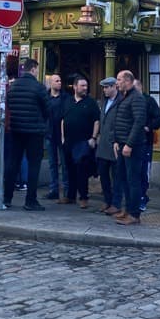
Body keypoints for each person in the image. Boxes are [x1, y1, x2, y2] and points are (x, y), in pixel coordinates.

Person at [4, 58, 49, 211]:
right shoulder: (39, 87)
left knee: (13, 163)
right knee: (34, 165)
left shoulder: (13, 86)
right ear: (34, 69)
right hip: (34, 131)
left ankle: (6, 197)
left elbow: (8, 105)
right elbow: (47, 108)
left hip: (16, 129)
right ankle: (30, 200)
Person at [112, 70, 147, 225]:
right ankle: (127, 209)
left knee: (133, 180)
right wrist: (116, 141)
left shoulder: (136, 97)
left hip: (133, 146)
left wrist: (129, 144)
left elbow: (138, 122)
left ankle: (134, 214)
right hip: (122, 144)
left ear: (127, 81)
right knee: (123, 178)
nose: (117, 83)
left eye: (119, 80)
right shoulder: (125, 97)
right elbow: (120, 120)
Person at [61, 75, 100, 208]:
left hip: (83, 142)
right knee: (69, 169)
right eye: (82, 86)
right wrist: (63, 138)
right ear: (75, 86)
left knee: (82, 170)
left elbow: (96, 121)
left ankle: (83, 197)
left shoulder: (91, 102)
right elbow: (63, 119)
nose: (85, 88)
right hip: (68, 142)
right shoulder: (67, 101)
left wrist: (93, 138)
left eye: (86, 86)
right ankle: (70, 196)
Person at [135, 78, 160, 212]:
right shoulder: (128, 100)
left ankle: (142, 197)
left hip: (145, 141)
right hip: (132, 141)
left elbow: (159, 118)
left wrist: (149, 127)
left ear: (140, 86)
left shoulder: (149, 101)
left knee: (143, 170)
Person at [96, 77, 122, 214]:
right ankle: (107, 200)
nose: (104, 90)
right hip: (103, 144)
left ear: (114, 87)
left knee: (117, 176)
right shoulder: (104, 101)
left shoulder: (121, 101)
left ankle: (116, 203)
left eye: (107, 87)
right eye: (104, 87)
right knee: (103, 174)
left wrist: (117, 140)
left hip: (115, 144)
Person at [44, 73, 71, 200]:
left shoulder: (65, 97)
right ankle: (54, 189)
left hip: (62, 135)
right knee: (52, 163)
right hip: (50, 134)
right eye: (56, 81)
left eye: (60, 81)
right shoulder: (46, 97)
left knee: (64, 163)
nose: (59, 83)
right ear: (51, 83)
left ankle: (66, 189)